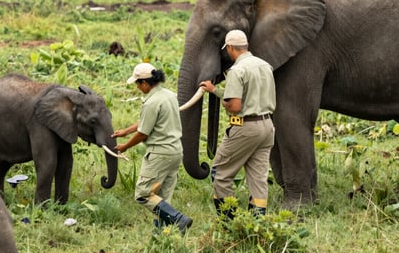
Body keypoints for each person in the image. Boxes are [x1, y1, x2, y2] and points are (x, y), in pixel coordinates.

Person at [199, 29, 276, 217]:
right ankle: (256, 226)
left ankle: (231, 223)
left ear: (231, 48)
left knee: (221, 174)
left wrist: (215, 91)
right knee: (258, 180)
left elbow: (234, 105)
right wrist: (218, 91)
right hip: (267, 126)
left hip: (246, 127)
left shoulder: (237, 70)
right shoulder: (265, 65)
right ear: (246, 46)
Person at [112, 62, 192, 233]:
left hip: (159, 154)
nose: (137, 87)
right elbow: (149, 122)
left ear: (145, 83)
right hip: (176, 151)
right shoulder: (169, 95)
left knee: (143, 194)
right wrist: (126, 131)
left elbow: (143, 134)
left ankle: (178, 219)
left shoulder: (150, 103)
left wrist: (125, 146)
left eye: (137, 83)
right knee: (162, 197)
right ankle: (166, 234)